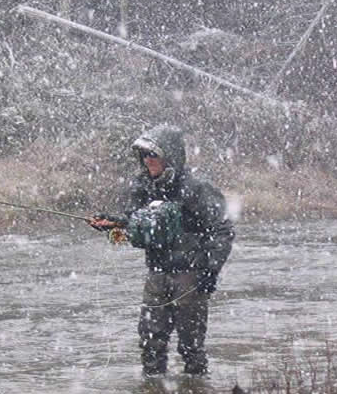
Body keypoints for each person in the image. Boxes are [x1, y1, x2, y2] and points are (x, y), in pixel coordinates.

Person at [90, 124, 234, 377]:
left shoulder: (197, 188)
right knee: (150, 344)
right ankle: (154, 389)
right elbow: (135, 223)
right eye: (144, 155)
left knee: (191, 347)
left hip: (190, 277)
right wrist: (113, 224)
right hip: (156, 275)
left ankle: (196, 390)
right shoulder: (143, 187)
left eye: (153, 154)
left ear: (170, 156)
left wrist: (211, 270)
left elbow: (222, 230)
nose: (148, 160)